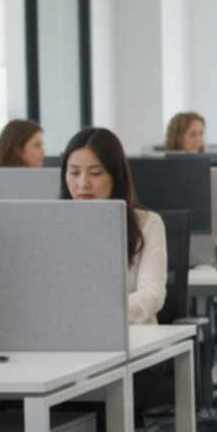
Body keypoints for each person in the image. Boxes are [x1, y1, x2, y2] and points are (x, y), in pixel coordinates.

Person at [59, 127, 166, 326]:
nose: (83, 183)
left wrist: (102, 315)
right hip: (71, 335)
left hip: (132, 336)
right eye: (74, 172)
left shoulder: (147, 224)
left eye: (95, 173)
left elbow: (153, 293)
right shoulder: (55, 227)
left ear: (116, 177)